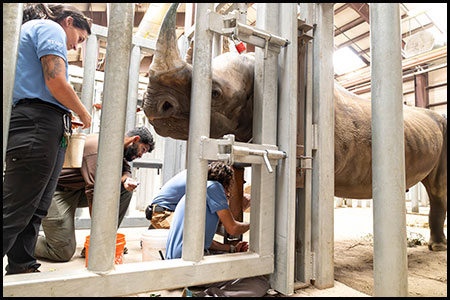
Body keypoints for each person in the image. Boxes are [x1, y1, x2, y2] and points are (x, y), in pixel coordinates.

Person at [3, 3, 92, 275]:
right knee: (17, 206)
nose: (76, 47)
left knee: (36, 206)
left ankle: (22, 265)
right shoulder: (50, 27)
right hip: (36, 123)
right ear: (68, 22)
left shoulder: (36, 31)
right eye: (80, 39)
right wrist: (83, 112)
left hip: (48, 124)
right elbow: (56, 81)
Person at [33, 127, 155, 262]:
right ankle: (21, 241)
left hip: (78, 190)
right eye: (143, 149)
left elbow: (125, 168)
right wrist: (98, 240)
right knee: (62, 252)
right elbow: (95, 194)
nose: (140, 155)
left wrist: (126, 179)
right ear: (135, 140)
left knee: (124, 190)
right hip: (56, 192)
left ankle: (102, 241)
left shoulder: (116, 146)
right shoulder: (99, 148)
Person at [165, 162, 250, 260]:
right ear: (227, 183)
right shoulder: (215, 187)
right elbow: (233, 228)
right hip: (187, 258)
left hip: (177, 257)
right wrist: (253, 225)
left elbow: (205, 242)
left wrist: (232, 248)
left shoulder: (200, 190)